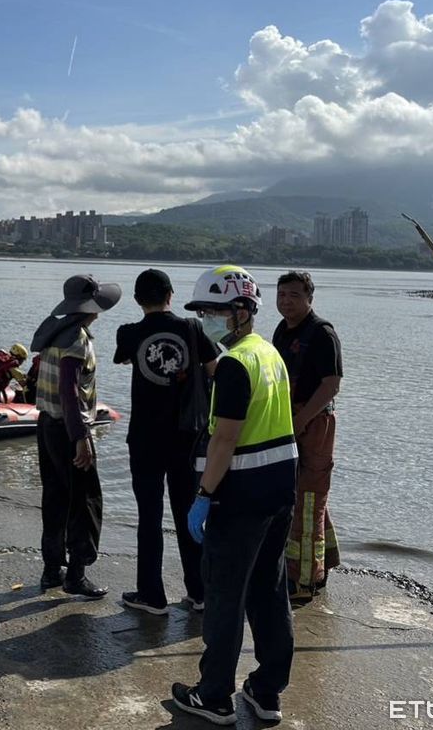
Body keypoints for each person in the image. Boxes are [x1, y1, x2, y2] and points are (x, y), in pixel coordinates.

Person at [173, 265, 296, 726]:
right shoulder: (269, 353)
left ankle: (214, 697)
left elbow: (225, 438)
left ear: (241, 311)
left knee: (225, 595)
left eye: (212, 311)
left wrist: (204, 495)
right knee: (269, 590)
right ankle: (267, 691)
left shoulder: (234, 364)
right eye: (202, 312)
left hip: (240, 496)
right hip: (278, 491)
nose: (205, 319)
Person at [113, 268, 217, 615]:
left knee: (149, 516)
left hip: (145, 438)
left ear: (137, 299)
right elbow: (215, 369)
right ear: (171, 295)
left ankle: (152, 595)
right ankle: (200, 592)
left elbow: (124, 357)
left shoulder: (129, 333)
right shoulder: (193, 328)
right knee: (189, 515)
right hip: (187, 437)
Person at [30, 273, 121, 600]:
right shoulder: (77, 339)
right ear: (91, 307)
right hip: (69, 429)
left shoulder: (53, 331)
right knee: (85, 501)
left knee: (55, 497)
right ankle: (76, 574)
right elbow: (69, 391)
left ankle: (51, 569)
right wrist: (81, 436)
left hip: (46, 424)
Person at [273, 270, 343, 599]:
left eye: (294, 295)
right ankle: (324, 563)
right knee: (303, 496)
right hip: (287, 419)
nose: (286, 301)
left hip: (314, 422)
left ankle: (301, 582)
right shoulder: (282, 330)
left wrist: (301, 419)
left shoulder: (322, 333)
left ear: (309, 298)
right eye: (281, 294)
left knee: (309, 499)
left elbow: (331, 385)